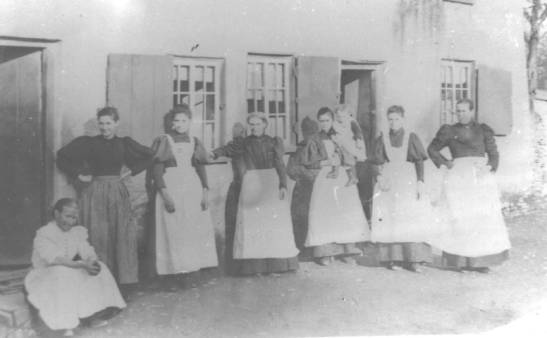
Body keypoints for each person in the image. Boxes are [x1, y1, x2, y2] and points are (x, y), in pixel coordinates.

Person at [56, 107, 154, 285]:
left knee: (120, 234)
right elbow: (62, 156)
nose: (104, 127)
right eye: (101, 123)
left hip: (117, 192)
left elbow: (150, 156)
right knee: (97, 235)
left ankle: (118, 283)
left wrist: (131, 171)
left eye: (109, 123)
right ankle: (97, 282)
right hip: (93, 193)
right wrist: (78, 173)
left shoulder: (124, 143)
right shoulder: (89, 143)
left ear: (117, 123)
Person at [427, 98, 511, 273]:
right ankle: (461, 262)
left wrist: (488, 167)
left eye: (464, 111)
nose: (461, 114)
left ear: (472, 111)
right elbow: (432, 149)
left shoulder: (483, 130)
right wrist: (446, 162)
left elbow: (494, 154)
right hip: (458, 178)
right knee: (460, 217)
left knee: (481, 218)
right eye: (458, 111)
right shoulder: (449, 131)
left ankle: (480, 262)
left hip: (480, 178)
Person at [211, 112, 299, 275]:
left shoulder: (274, 142)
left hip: (271, 182)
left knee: (272, 224)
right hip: (251, 182)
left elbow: (280, 163)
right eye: (251, 124)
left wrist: (282, 184)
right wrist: (213, 153)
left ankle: (275, 266)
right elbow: (227, 149)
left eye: (258, 124)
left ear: (265, 125)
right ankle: (254, 267)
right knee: (254, 225)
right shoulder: (243, 143)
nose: (254, 127)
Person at [25, 198, 126, 337]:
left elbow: (86, 250)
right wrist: (82, 264)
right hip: (45, 275)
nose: (71, 221)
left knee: (98, 268)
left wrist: (91, 261)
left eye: (74, 217)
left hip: (67, 269)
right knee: (62, 272)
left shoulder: (76, 232)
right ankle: (64, 325)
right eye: (67, 216)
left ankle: (91, 316)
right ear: (56, 214)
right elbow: (56, 259)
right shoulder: (44, 233)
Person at [146, 105, 218, 277]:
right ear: (171, 123)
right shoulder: (164, 140)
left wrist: (205, 192)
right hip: (171, 185)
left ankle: (192, 270)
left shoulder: (194, 141)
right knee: (173, 228)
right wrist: (164, 193)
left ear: (189, 122)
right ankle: (174, 273)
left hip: (192, 187)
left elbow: (200, 168)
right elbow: (157, 170)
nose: (179, 124)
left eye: (183, 120)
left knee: (192, 228)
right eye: (176, 120)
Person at [370, 105, 433, 273]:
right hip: (389, 181)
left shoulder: (411, 137)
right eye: (390, 119)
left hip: (407, 180)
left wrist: (420, 181)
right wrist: (379, 177)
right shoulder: (382, 138)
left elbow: (419, 161)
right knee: (391, 217)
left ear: (403, 119)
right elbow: (376, 162)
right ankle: (393, 258)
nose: (393, 122)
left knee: (410, 216)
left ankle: (414, 260)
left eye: (396, 119)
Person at [304, 107, 369, 266]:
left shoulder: (341, 135)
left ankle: (347, 251)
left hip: (343, 176)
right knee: (324, 212)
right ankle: (325, 253)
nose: (324, 124)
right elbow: (309, 162)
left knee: (345, 211)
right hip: (325, 177)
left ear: (332, 120)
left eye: (327, 120)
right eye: (321, 121)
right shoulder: (315, 139)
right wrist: (328, 162)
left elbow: (355, 155)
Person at [287, 117, 327, 251]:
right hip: (303, 186)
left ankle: (313, 248)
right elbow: (291, 169)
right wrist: (301, 173)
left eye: (311, 132)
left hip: (314, 185)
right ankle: (302, 246)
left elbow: (321, 165)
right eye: (306, 132)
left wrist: (305, 173)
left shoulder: (319, 145)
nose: (308, 135)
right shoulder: (301, 146)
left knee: (312, 215)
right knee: (300, 215)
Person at [329, 104, 367, 186]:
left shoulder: (351, 122)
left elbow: (357, 132)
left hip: (349, 143)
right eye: (338, 116)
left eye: (343, 116)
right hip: (339, 143)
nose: (341, 119)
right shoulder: (335, 123)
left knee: (348, 161)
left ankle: (352, 177)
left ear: (348, 115)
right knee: (335, 156)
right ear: (335, 115)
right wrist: (333, 136)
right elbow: (331, 131)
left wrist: (358, 140)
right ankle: (334, 172)